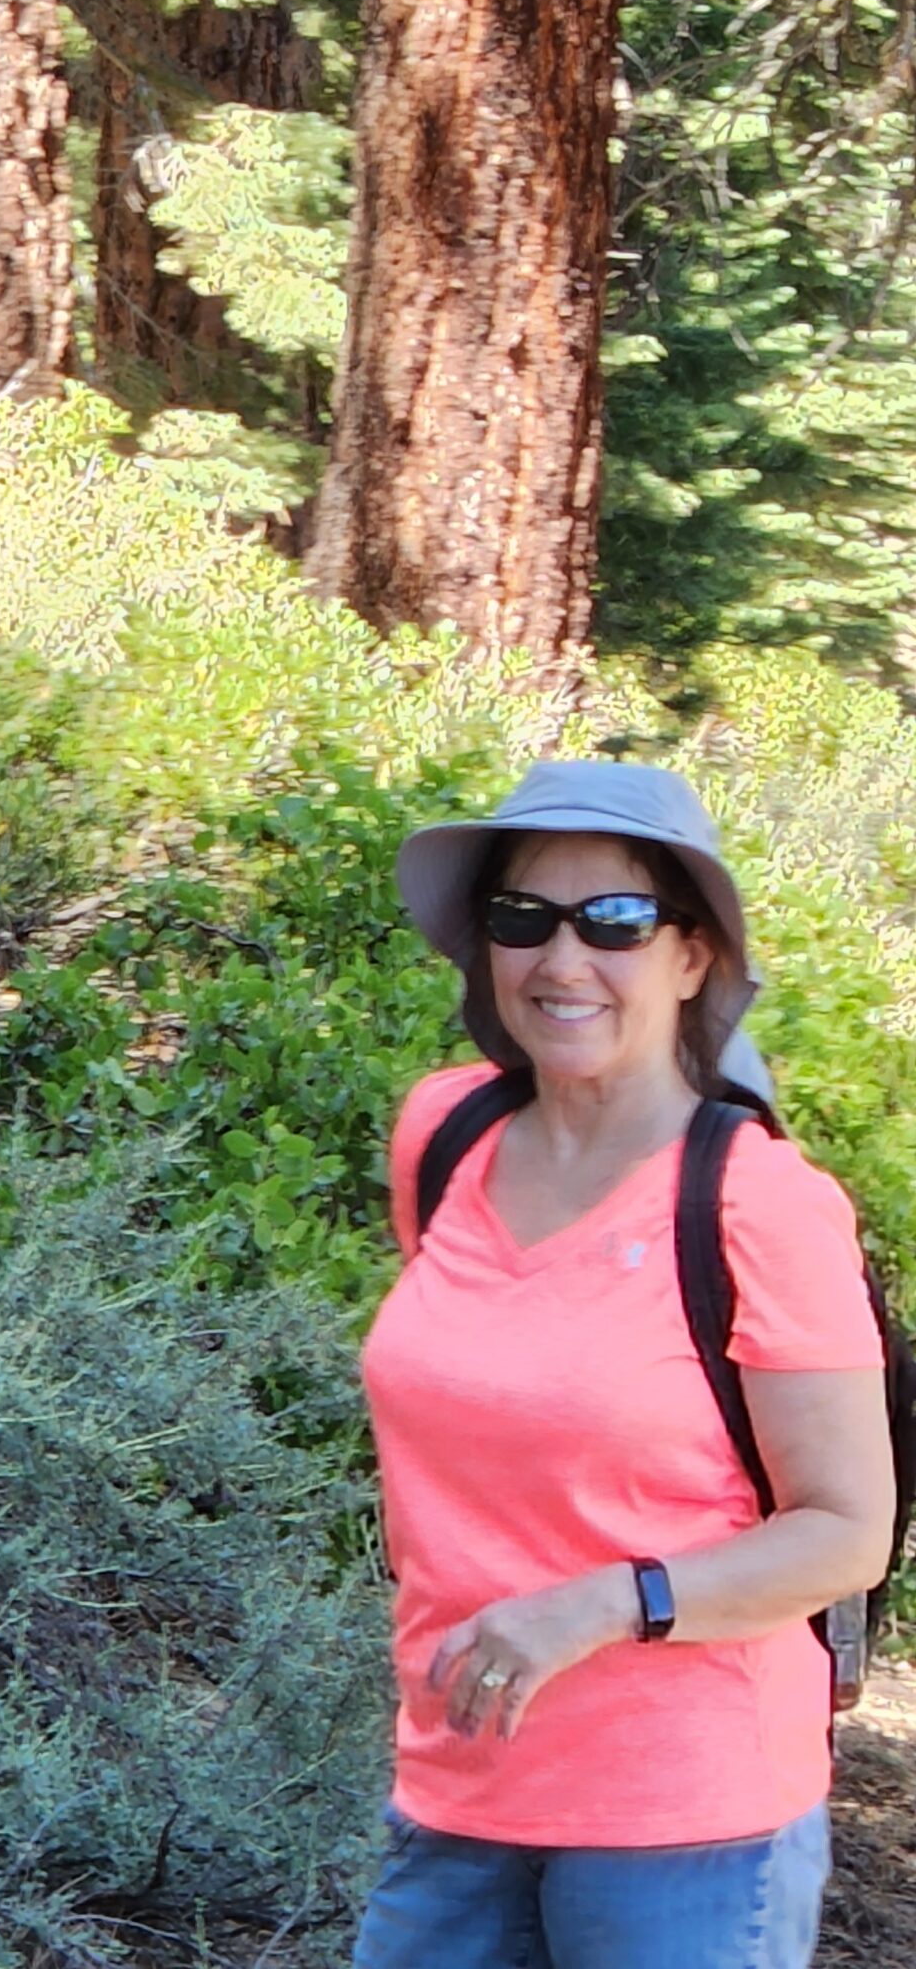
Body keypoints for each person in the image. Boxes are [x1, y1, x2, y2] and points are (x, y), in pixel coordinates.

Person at [354, 761, 896, 1969]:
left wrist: (602, 1604)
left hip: (688, 1826)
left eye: (614, 921)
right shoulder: (446, 1135)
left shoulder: (757, 1200)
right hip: (457, 1791)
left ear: (692, 956)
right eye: (523, 917)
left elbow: (846, 1531)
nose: (563, 960)